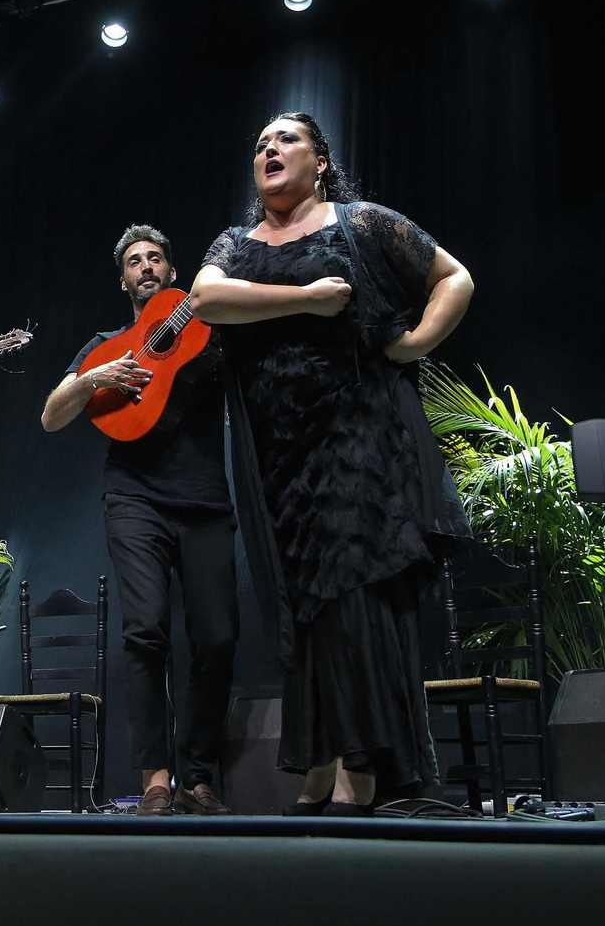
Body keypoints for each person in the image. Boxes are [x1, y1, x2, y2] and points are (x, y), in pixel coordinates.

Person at [189, 111, 474, 816]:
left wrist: (414, 344)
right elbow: (205, 298)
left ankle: (362, 765)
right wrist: (309, 300)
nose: (269, 149)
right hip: (279, 454)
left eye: (286, 139)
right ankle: (321, 759)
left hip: (359, 434)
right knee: (304, 600)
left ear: (320, 161)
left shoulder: (362, 223)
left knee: (353, 586)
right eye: (261, 143)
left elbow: (454, 278)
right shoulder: (235, 243)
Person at [42, 226, 239, 817]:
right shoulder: (106, 344)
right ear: (123, 280)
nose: (146, 266)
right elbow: (51, 416)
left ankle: (197, 774)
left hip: (204, 496)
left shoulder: (207, 329)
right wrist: (93, 379)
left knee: (218, 636)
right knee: (145, 631)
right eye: (134, 261)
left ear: (173, 274)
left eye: (155, 258)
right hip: (134, 496)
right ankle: (155, 777)